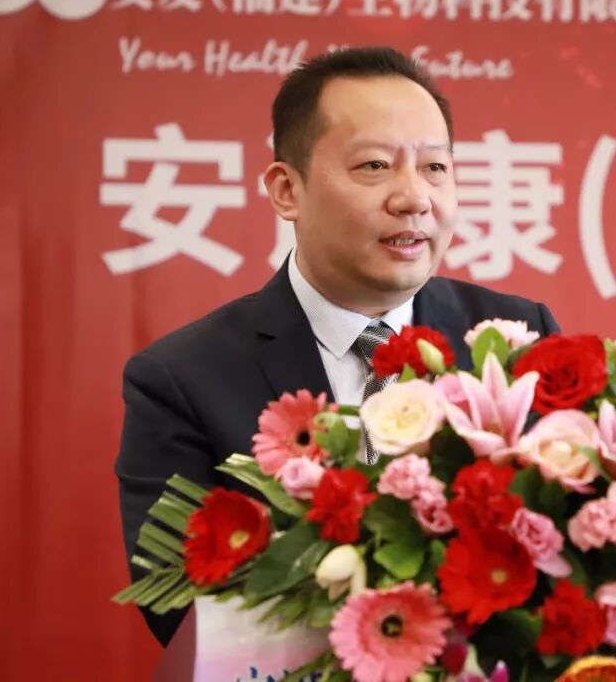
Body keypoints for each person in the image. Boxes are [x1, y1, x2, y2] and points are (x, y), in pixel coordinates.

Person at [115, 46, 561, 646]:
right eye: (375, 166)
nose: (414, 198)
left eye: (434, 167)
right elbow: (177, 600)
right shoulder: (183, 378)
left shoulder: (516, 338)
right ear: (286, 190)